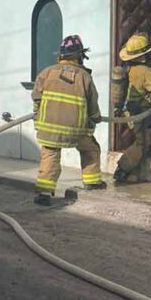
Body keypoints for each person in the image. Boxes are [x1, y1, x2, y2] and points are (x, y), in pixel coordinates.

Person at [31, 34, 106, 206]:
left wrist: (37, 114)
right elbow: (92, 102)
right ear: (80, 56)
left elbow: (36, 98)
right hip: (76, 129)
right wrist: (96, 118)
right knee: (90, 149)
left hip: (48, 128)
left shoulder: (47, 72)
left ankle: (44, 193)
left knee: (50, 155)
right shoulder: (84, 77)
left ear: (62, 56)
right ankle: (92, 182)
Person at [111, 32, 151, 185]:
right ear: (144, 54)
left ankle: (131, 172)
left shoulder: (129, 68)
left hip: (131, 112)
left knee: (144, 140)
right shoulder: (145, 71)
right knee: (142, 143)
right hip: (140, 113)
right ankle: (122, 170)